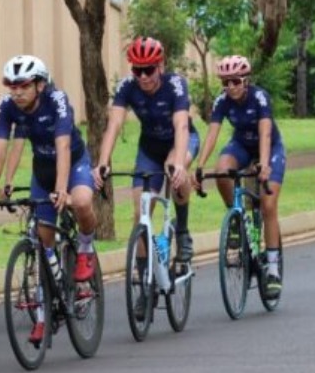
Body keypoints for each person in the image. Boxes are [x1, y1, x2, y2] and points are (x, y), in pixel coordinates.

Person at [0, 55, 99, 345]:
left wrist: (62, 188)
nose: (16, 92)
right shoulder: (8, 107)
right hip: (42, 170)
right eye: (12, 86)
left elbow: (63, 145)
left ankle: (85, 247)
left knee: (82, 202)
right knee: (42, 239)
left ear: (40, 84)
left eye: (23, 86)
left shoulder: (57, 100)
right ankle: (44, 317)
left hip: (73, 163)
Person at [92, 36, 198, 319]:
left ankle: (184, 232)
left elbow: (181, 125)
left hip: (180, 140)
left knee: (174, 171)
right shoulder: (127, 87)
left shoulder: (175, 85)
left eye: (149, 70)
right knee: (140, 216)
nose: (143, 77)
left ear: (160, 65)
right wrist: (103, 163)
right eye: (137, 70)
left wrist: (178, 163)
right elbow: (114, 125)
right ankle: (146, 290)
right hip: (149, 147)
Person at [192, 54, 287, 297]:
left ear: (246, 80)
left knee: (267, 205)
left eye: (235, 81)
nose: (230, 87)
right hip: (242, 146)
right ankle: (235, 218)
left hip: (270, 148)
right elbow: (213, 133)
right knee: (222, 169)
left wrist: (264, 164)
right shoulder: (222, 100)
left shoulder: (259, 97)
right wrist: (200, 166)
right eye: (225, 82)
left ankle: (273, 268)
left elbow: (265, 133)